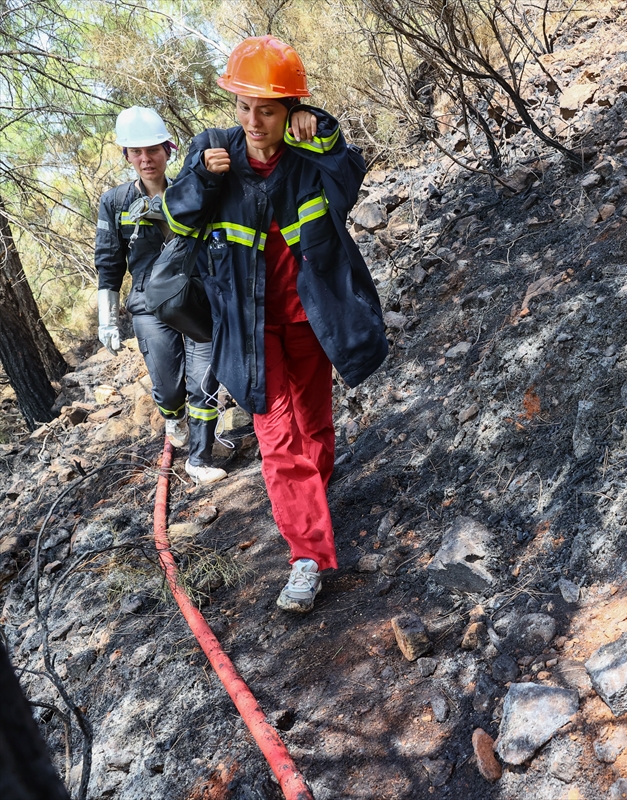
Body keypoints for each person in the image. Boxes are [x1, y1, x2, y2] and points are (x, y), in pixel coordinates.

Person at [163, 36, 388, 612]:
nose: (253, 120)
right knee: (279, 439)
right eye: (243, 106)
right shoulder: (213, 154)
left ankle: (312, 494)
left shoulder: (309, 157)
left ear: (291, 111)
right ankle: (307, 557)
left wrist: (326, 131)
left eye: (267, 108)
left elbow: (350, 175)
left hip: (312, 319)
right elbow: (177, 220)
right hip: (248, 329)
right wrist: (201, 181)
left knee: (315, 424)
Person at [95, 106, 227, 486]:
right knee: (169, 387)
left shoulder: (191, 190)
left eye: (152, 149)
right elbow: (108, 263)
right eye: (135, 152)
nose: (144, 158)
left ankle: (199, 459)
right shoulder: (115, 202)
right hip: (149, 307)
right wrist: (108, 318)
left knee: (203, 380)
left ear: (168, 150)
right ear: (126, 156)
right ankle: (174, 415)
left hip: (197, 298)